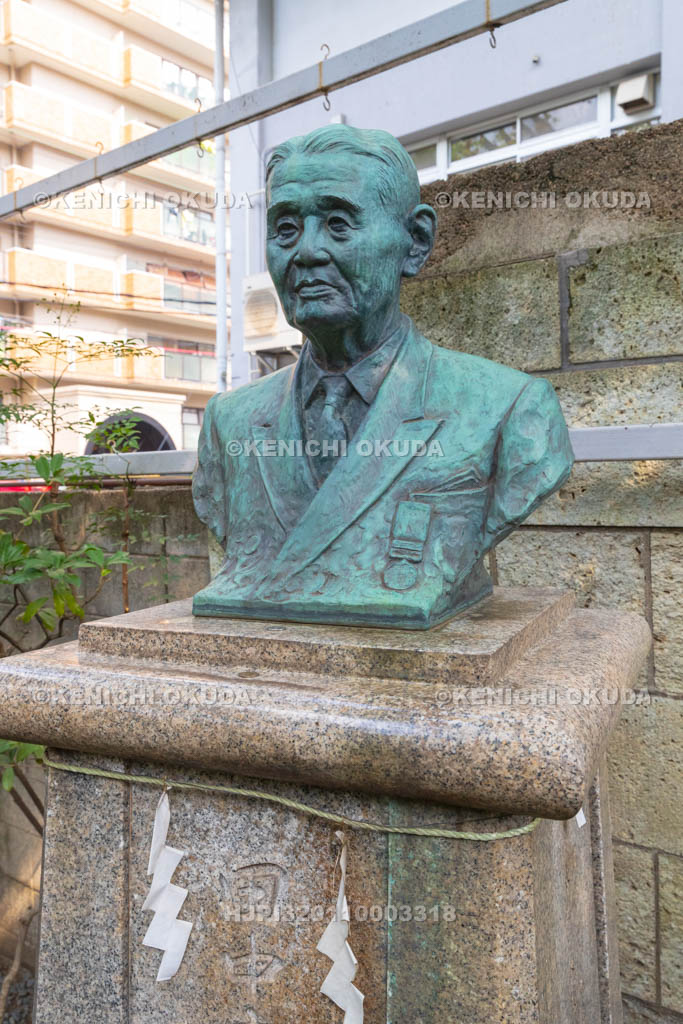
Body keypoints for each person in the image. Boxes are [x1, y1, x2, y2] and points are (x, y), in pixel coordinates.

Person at [192, 124, 574, 628]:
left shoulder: (511, 408)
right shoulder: (229, 422)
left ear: (414, 243)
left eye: (338, 224)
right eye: (285, 228)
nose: (306, 251)